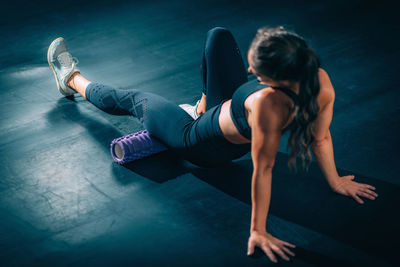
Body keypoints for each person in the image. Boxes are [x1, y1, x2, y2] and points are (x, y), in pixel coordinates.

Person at [47, 26, 378, 263]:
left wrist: (258, 231)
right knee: (218, 36)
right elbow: (320, 136)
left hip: (201, 146)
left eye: (257, 69)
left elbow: (263, 169)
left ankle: (71, 79)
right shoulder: (317, 79)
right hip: (224, 109)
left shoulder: (266, 105)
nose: (249, 69)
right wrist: (335, 182)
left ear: (276, 77)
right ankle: (202, 106)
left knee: (136, 99)